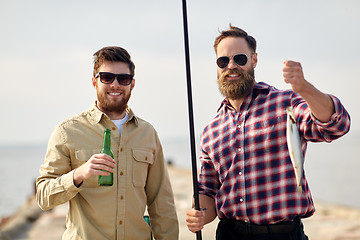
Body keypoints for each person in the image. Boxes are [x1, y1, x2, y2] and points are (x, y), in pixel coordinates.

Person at [186, 25, 350, 240]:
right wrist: (199, 216)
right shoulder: (211, 130)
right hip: (229, 234)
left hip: (283, 234)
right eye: (223, 61)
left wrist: (303, 87)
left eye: (240, 59)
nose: (231, 66)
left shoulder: (286, 103)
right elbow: (208, 190)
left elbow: (336, 125)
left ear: (254, 61)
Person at [36, 46, 179, 240]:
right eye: (107, 77)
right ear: (94, 82)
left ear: (132, 84)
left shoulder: (148, 134)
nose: (115, 84)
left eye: (123, 79)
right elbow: (44, 197)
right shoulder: (67, 132)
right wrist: (78, 175)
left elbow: (161, 203)